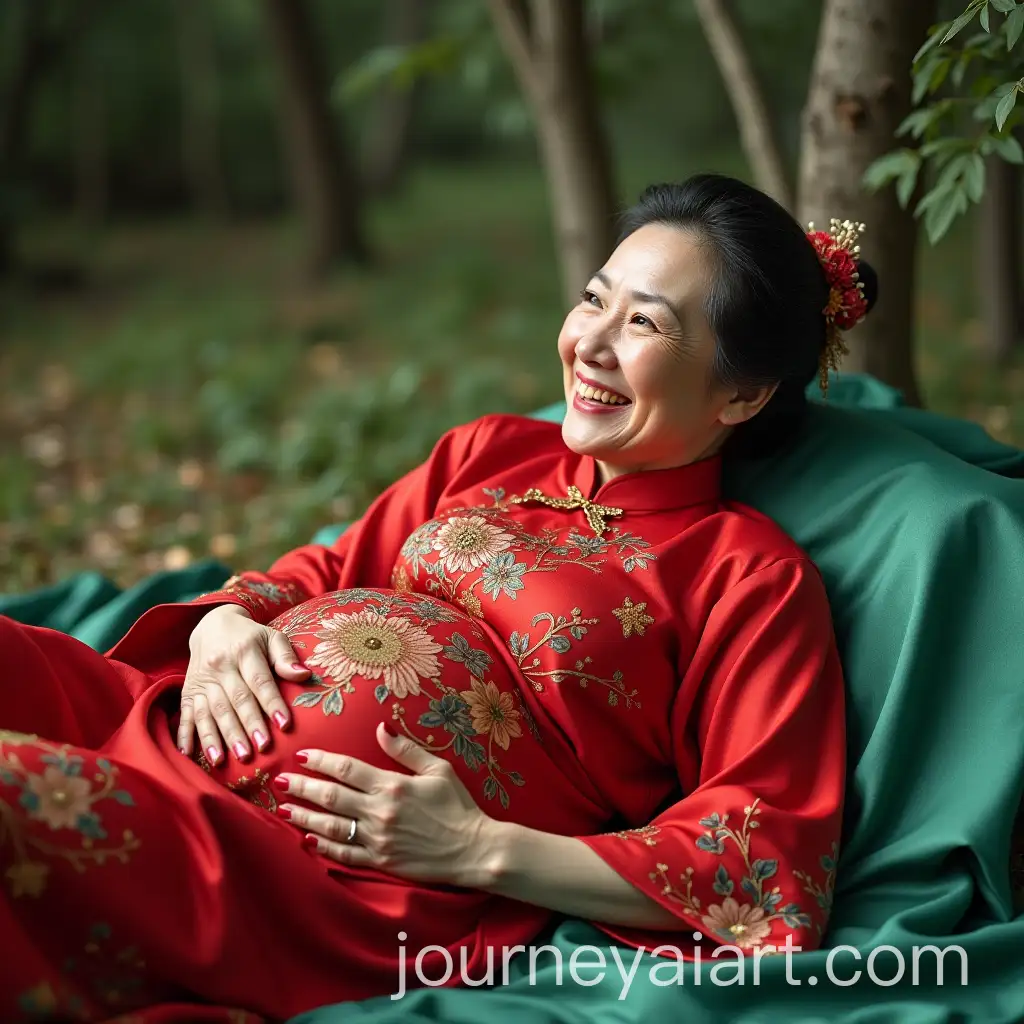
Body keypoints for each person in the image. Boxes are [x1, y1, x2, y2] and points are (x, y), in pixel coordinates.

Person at [0, 174, 873, 1023]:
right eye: (593, 299)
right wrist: (225, 624)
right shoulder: (490, 452)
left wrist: (484, 852)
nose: (590, 344)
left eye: (644, 322)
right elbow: (330, 568)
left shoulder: (747, 575)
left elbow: (760, 855)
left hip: (317, 875)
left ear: (743, 393)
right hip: (175, 718)